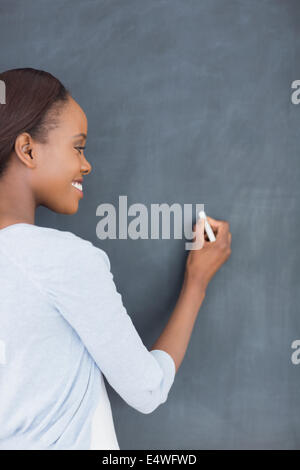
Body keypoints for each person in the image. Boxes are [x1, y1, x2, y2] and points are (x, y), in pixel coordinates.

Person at [0, 67, 232, 450]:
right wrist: (196, 282)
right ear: (27, 150)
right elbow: (146, 389)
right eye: (78, 146)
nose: (86, 164)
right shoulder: (63, 259)